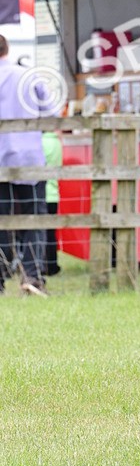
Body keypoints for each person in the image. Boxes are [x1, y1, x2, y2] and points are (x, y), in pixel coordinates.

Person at [0, 34, 50, 296]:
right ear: (8, 48)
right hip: (27, 157)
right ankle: (31, 276)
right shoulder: (28, 75)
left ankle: (0, 276)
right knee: (33, 216)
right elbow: (51, 110)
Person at [42, 128, 63, 276]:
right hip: (54, 193)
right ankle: (52, 264)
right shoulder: (57, 142)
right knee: (51, 233)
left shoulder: (40, 142)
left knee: (40, 232)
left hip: (42, 193)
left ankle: (43, 265)